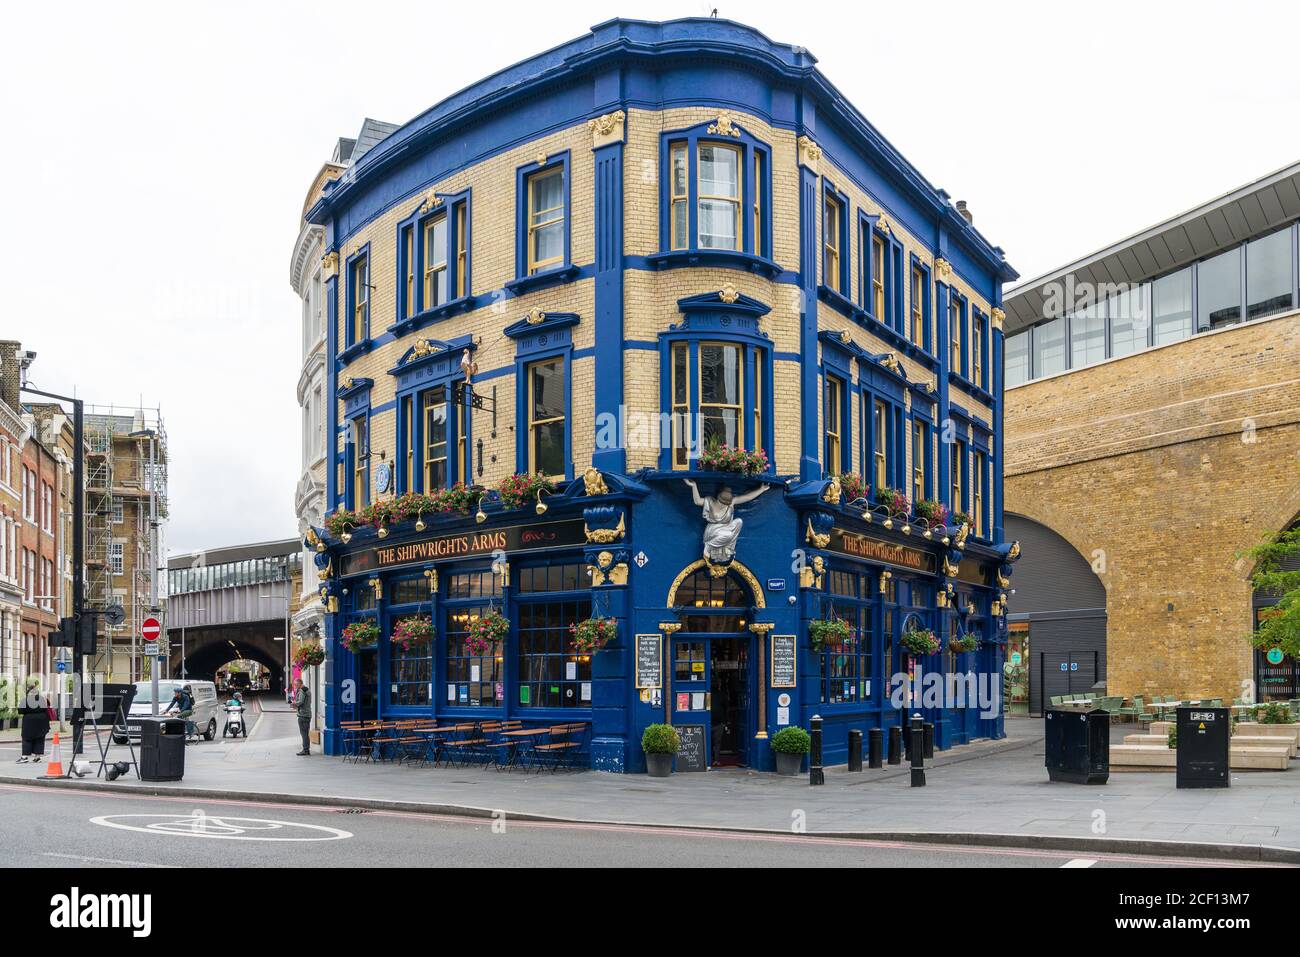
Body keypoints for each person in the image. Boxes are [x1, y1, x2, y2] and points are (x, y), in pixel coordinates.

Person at [16, 681, 51, 764]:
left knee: (27, 738)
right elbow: (47, 708)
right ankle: (37, 757)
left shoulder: (26, 700)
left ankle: (25, 757)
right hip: (42, 721)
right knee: (40, 738)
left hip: (29, 721)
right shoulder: (42, 699)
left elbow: (20, 711)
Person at [293, 678, 312, 756]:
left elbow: (300, 702)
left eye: (296, 684)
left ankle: (305, 750)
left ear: (300, 684)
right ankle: (306, 749)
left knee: (304, 733)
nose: (295, 686)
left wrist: (294, 703)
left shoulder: (302, 691)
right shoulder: (307, 690)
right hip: (307, 714)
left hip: (303, 715)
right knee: (306, 733)